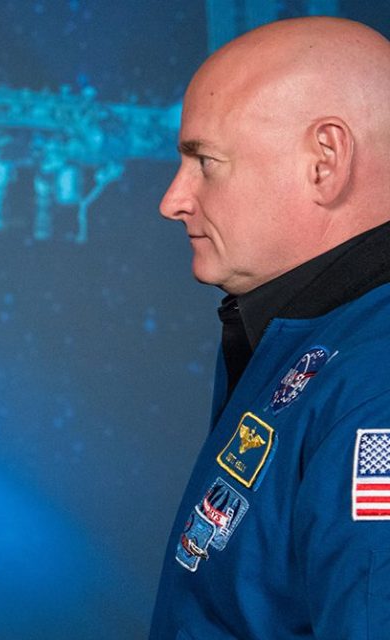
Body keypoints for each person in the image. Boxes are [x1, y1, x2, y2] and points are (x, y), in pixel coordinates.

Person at [151, 16, 390, 640]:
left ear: (325, 161)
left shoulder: (376, 387)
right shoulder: (315, 340)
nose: (173, 199)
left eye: (205, 161)